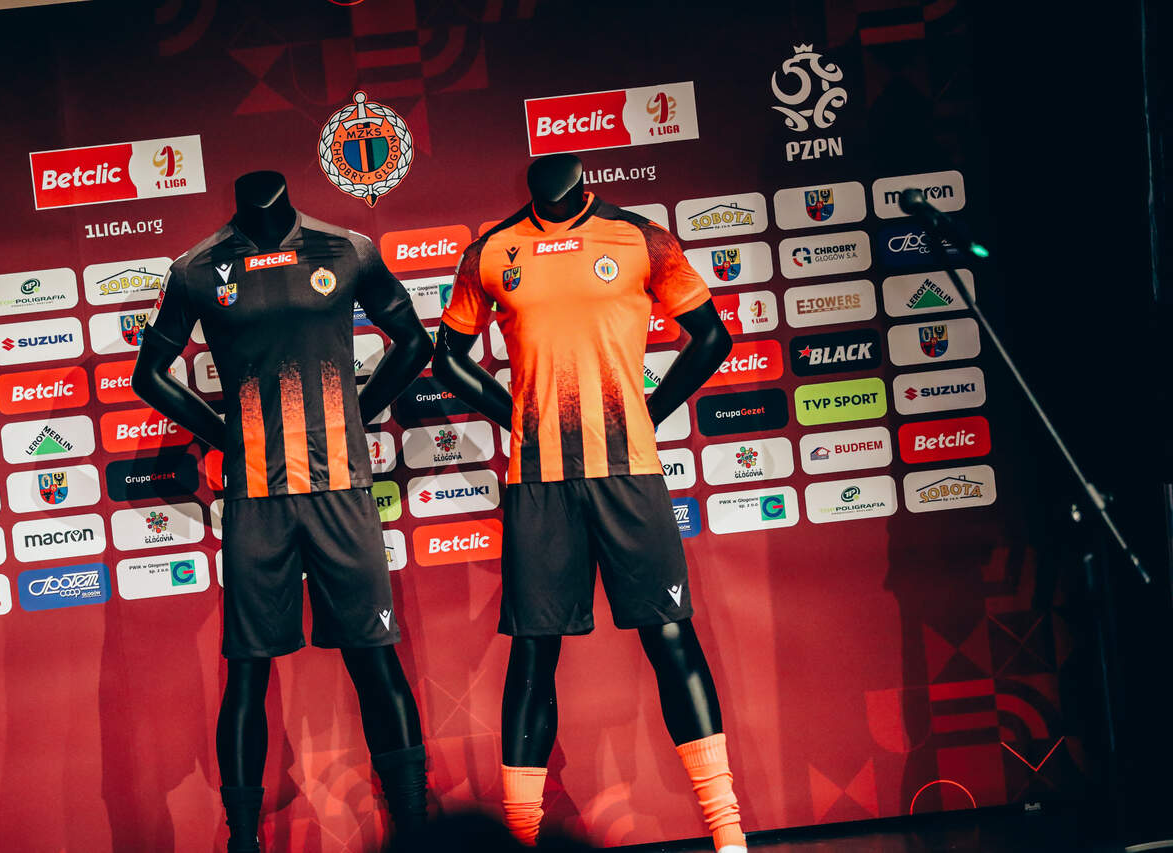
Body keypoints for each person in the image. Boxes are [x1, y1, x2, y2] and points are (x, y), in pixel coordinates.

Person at [432, 154, 749, 852]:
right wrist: (516, 416)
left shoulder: (641, 238)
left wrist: (647, 411)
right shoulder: (492, 250)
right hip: (538, 482)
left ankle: (729, 836)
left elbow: (713, 337)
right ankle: (520, 838)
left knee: (671, 636)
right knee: (533, 652)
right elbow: (446, 358)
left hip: (627, 471)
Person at [133, 170, 433, 853]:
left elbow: (415, 343)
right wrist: (225, 436)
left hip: (340, 490)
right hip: (256, 500)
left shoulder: (346, 249)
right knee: (247, 671)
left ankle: (417, 832)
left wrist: (357, 414)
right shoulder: (196, 268)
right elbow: (148, 374)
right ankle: (243, 841)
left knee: (375, 660)